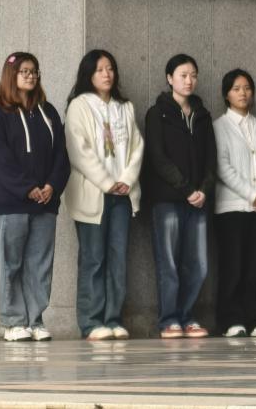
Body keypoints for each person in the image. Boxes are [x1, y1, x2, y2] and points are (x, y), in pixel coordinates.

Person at [0, 52, 69, 342]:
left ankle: (35, 320)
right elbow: (0, 160)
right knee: (10, 264)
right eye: (24, 71)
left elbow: (61, 157)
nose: (31, 76)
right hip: (10, 204)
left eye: (34, 71)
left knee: (39, 265)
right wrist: (26, 187)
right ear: (11, 76)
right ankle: (13, 322)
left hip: (45, 203)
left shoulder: (48, 112)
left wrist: (52, 186)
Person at [63, 49, 144, 341]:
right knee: (94, 259)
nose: (106, 74)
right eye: (99, 69)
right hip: (93, 194)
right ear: (89, 74)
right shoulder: (79, 106)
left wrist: (125, 180)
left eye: (110, 68)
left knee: (117, 259)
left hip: (122, 195)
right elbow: (78, 150)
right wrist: (107, 182)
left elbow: (137, 147)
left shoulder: (125, 107)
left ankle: (113, 318)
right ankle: (91, 321)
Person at [143, 53, 216, 339]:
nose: (189, 80)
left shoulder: (202, 115)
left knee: (198, 264)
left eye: (193, 75)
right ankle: (169, 319)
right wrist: (186, 189)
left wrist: (203, 190)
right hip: (168, 200)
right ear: (169, 78)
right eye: (183, 75)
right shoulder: (157, 113)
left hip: (198, 200)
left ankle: (187, 316)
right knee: (169, 263)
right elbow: (158, 158)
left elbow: (211, 160)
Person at [213, 68, 256, 338]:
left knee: (254, 267)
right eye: (236, 88)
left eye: (247, 88)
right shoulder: (219, 127)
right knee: (233, 265)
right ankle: (230, 319)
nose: (243, 93)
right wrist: (252, 194)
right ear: (226, 94)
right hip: (232, 208)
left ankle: (254, 318)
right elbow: (223, 167)